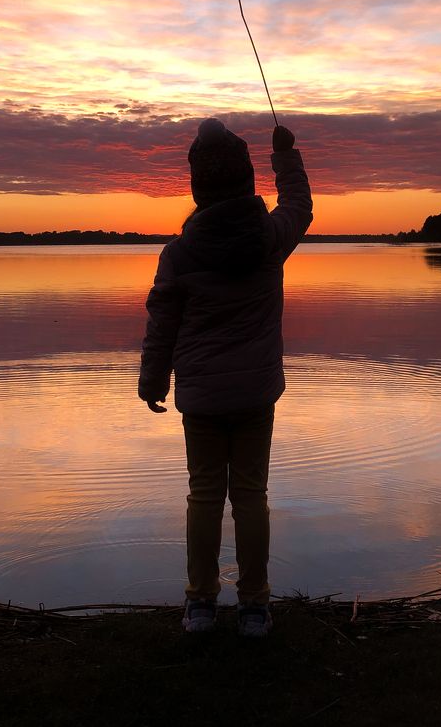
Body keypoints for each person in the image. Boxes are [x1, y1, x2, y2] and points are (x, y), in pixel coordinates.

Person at [138, 117, 313, 637]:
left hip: (202, 395)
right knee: (252, 495)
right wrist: (287, 156)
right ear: (246, 178)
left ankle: (201, 605)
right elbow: (300, 208)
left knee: (205, 496)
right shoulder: (268, 238)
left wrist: (152, 382)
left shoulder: (180, 253)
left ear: (199, 186)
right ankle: (255, 607)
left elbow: (161, 323)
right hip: (256, 392)